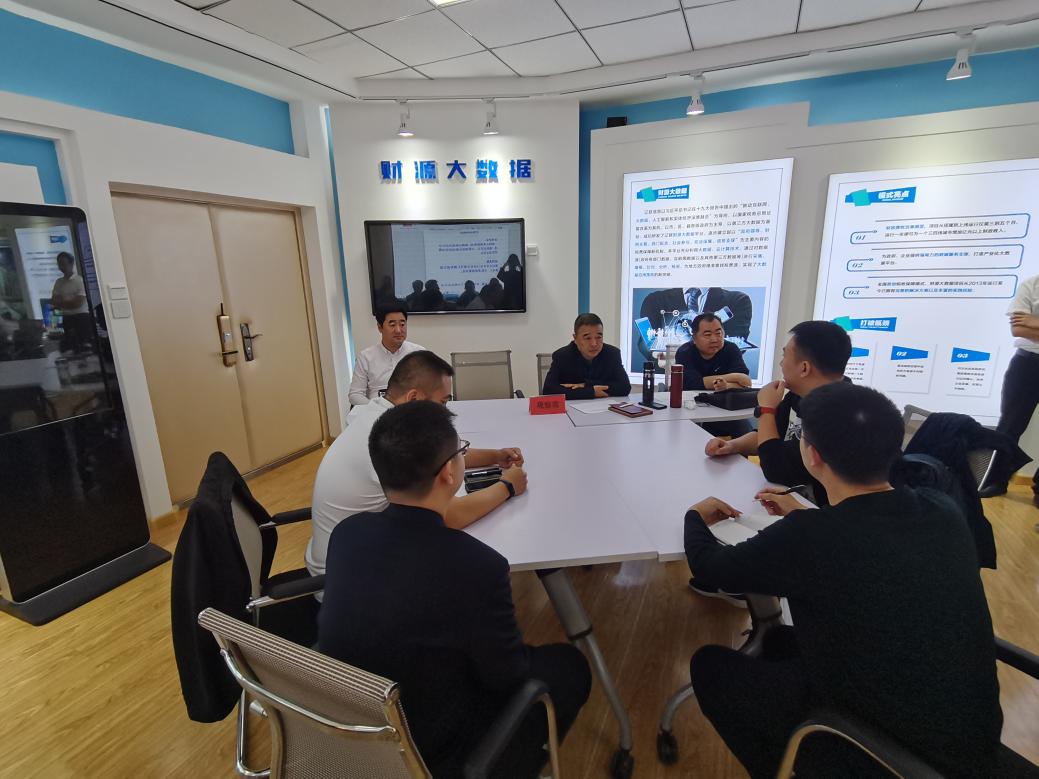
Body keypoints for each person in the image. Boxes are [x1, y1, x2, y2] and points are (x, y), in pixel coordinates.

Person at [683, 382, 1002, 778]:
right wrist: (805, 514)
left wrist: (694, 516)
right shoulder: (942, 509)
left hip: (885, 754)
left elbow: (711, 568)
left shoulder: (813, 537)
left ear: (812, 455)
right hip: (971, 736)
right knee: (777, 641)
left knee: (710, 666)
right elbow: (868, 537)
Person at [318, 400, 591, 778]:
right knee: (570, 666)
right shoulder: (478, 566)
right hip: (430, 752)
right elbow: (508, 676)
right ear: (449, 472)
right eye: (462, 451)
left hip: (352, 728)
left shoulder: (347, 534)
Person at [307, 350, 526, 579]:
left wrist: (495, 456)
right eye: (442, 402)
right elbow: (451, 516)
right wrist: (508, 486)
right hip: (348, 578)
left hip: (353, 551)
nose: (445, 411)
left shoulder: (382, 418)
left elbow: (443, 456)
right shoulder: (385, 438)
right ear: (414, 398)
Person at [703, 320, 851, 507]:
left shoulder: (841, 414)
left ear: (804, 368)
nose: (781, 364)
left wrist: (766, 409)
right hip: (788, 501)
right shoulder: (798, 395)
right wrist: (732, 445)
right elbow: (769, 437)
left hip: (818, 513)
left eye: (784, 356)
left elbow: (774, 468)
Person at [981, 272, 1039, 505]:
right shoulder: (1031, 285)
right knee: (1010, 426)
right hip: (1027, 365)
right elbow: (1019, 330)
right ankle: (995, 481)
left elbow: (1029, 326)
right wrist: (1028, 324)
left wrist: (1035, 322)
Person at [675, 312, 752, 438]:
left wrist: (726, 385)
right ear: (694, 338)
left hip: (723, 407)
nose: (714, 339)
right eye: (707, 334)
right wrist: (735, 378)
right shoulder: (685, 352)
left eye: (718, 333)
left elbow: (745, 384)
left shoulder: (731, 349)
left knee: (744, 429)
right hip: (691, 407)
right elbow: (694, 384)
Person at [637, 286, 753, 363]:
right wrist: (657, 354)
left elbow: (736, 346)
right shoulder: (654, 300)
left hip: (715, 380)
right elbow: (645, 343)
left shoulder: (737, 300)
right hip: (666, 377)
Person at [347, 303, 425, 406]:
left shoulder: (419, 353)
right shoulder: (366, 357)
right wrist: (375, 408)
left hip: (411, 410)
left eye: (402, 324)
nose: (398, 330)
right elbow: (355, 394)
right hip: (377, 412)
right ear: (380, 327)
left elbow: (430, 387)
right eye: (392, 325)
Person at [542, 313, 631, 399]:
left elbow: (624, 387)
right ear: (575, 338)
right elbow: (548, 390)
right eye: (588, 338)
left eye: (598, 337)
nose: (594, 344)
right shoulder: (562, 356)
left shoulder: (612, 354)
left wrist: (586, 385)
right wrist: (591, 392)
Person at [49, 251, 92, 352]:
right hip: (67, 319)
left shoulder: (79, 281)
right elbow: (54, 302)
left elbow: (77, 304)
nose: (61, 267)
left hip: (81, 318)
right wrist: (68, 303)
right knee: (70, 348)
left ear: (71, 264)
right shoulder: (58, 282)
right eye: (59, 264)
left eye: (64, 263)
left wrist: (62, 302)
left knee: (84, 347)